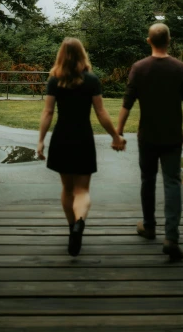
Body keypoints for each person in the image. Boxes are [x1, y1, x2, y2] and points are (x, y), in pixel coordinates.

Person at [37, 37, 126, 256]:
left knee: (67, 189)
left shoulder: (54, 80)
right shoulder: (92, 80)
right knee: (82, 190)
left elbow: (48, 112)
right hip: (83, 138)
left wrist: (40, 141)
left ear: (61, 55)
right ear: (82, 54)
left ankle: (71, 229)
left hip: (61, 138)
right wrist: (115, 136)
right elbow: (101, 113)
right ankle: (79, 223)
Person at [116, 22, 183, 261]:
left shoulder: (139, 68)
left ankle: (149, 226)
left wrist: (118, 131)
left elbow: (127, 102)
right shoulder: (180, 68)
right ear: (169, 41)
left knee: (147, 179)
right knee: (172, 183)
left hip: (147, 136)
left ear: (149, 41)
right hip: (172, 136)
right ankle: (171, 237)